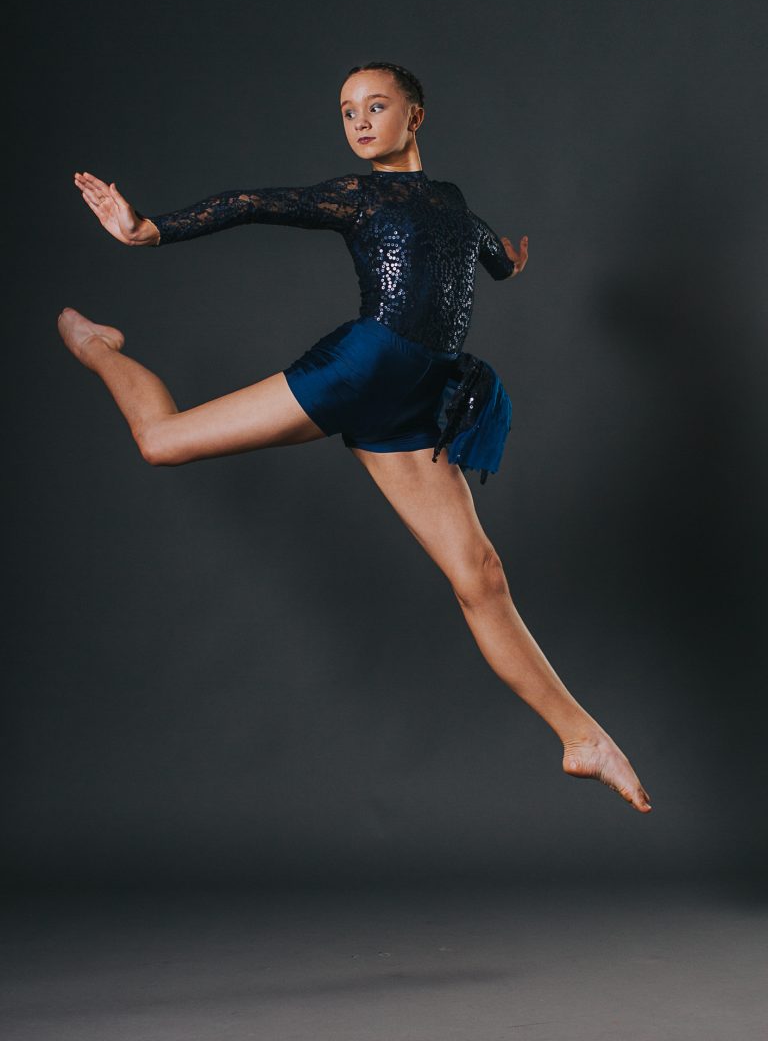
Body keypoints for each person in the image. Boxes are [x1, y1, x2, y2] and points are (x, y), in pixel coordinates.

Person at [58, 60, 652, 813]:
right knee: (159, 441)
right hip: (364, 367)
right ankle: (96, 347)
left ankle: (581, 739)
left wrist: (508, 261)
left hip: (415, 395)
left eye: (376, 106)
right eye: (348, 112)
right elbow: (256, 203)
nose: (361, 122)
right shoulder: (358, 196)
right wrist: (150, 230)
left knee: (481, 577)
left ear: (415, 115)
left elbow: (478, 247)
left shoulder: (450, 199)